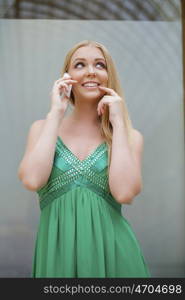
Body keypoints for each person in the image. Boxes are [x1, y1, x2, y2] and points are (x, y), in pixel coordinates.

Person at [17, 40, 151, 278]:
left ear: (109, 76)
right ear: (66, 77)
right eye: (80, 64)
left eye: (100, 64)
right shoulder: (42, 128)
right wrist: (56, 112)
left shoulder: (130, 137)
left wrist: (118, 123)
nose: (91, 71)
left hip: (116, 260)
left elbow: (125, 193)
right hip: (57, 260)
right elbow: (31, 180)